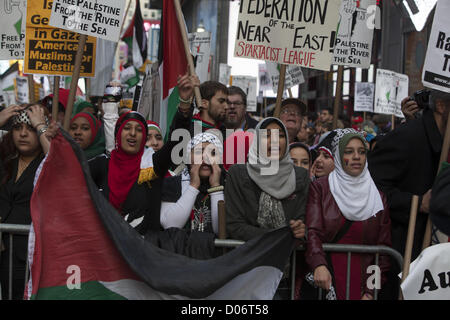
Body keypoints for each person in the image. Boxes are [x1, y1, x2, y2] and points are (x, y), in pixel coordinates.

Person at [368, 89, 450, 299]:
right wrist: (416, 202)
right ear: (441, 106)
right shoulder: (406, 137)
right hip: (403, 253)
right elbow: (370, 189)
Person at [304, 128, 391, 300]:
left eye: (361, 152)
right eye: (349, 152)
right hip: (327, 280)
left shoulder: (378, 198)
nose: (356, 157)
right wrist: (319, 265)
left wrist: (370, 292)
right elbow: (312, 231)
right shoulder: (321, 188)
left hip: (361, 285)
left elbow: (382, 253)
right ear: (338, 156)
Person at [0, 104, 56, 300]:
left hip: (29, 255)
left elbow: (58, 162)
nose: (23, 134)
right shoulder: (6, 160)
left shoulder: (46, 163)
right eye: (17, 128)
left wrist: (40, 125)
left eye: (30, 129)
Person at [225, 117, 309, 242]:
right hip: (248, 257)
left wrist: (300, 230)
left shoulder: (300, 176)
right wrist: (279, 237)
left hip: (286, 257)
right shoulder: (238, 174)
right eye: (267, 136)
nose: (274, 141)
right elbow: (234, 226)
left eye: (280, 136)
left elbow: (302, 220)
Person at [160, 133, 224, 235]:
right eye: (199, 152)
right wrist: (193, 186)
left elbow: (221, 230)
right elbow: (170, 225)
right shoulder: (172, 183)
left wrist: (216, 186)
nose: (205, 157)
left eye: (212, 152)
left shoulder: (228, 184)